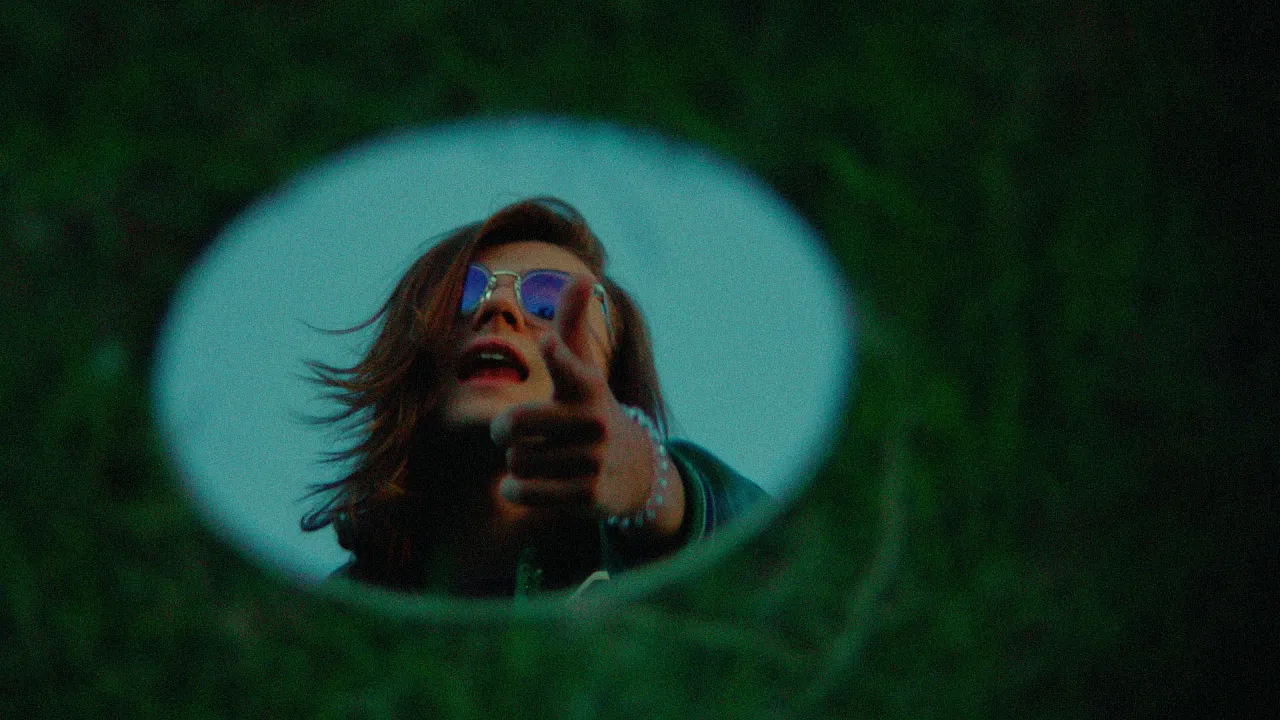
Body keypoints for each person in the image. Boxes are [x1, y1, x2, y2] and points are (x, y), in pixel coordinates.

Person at [299, 197, 767, 599]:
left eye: (549, 300)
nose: (498, 306)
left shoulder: (665, 598)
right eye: (464, 294)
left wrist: (652, 485)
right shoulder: (333, 617)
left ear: (612, 377)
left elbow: (788, 568)